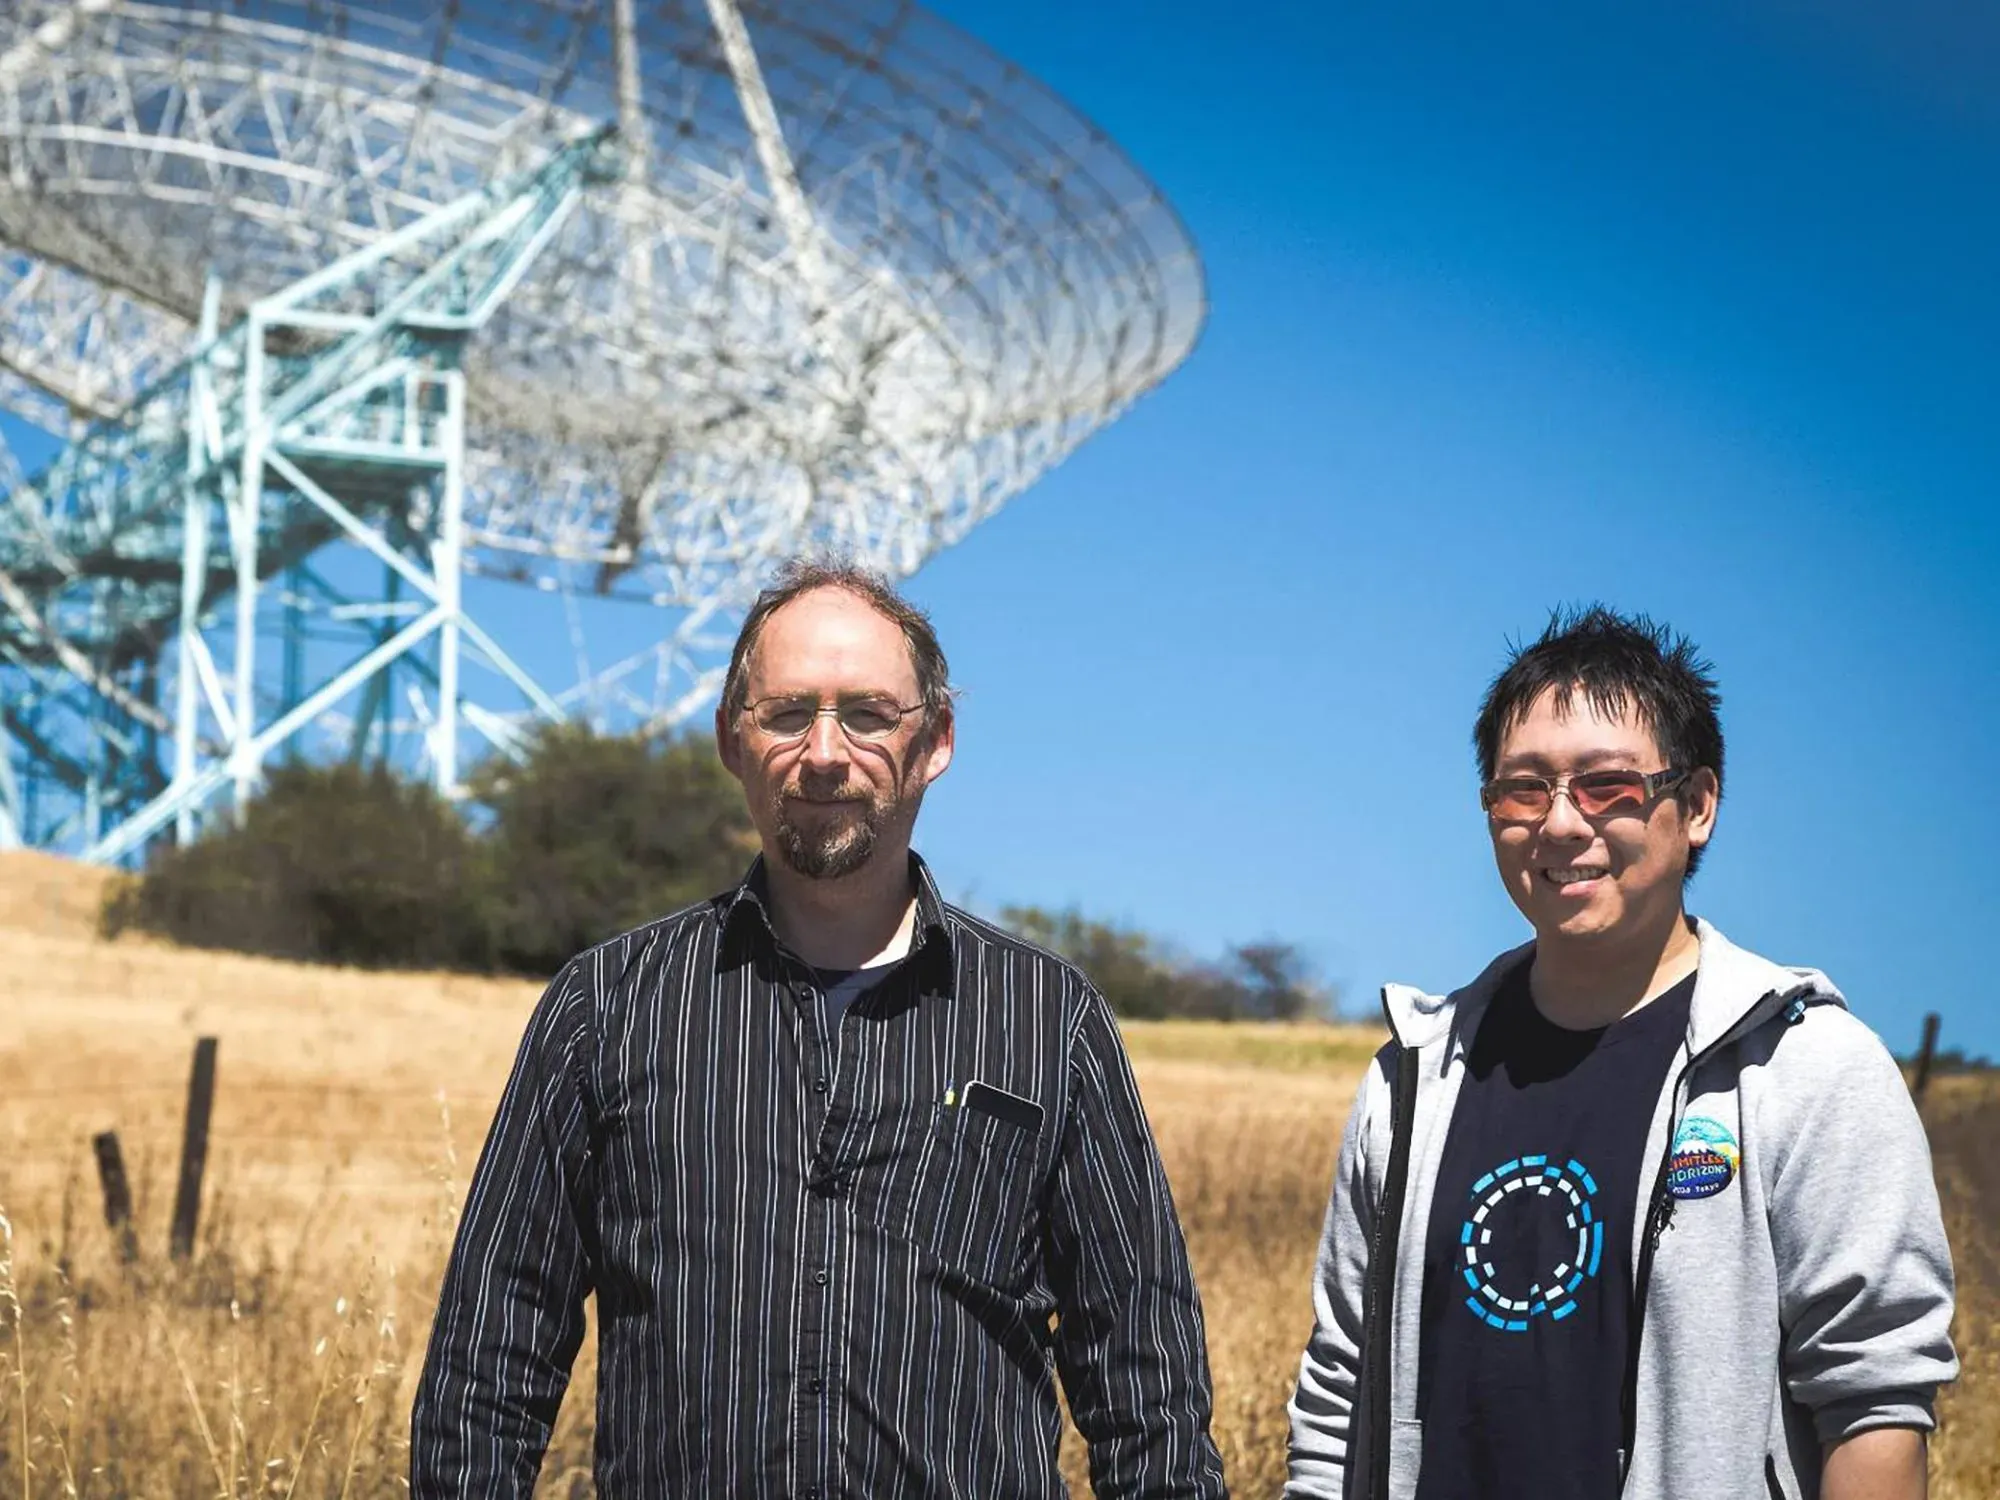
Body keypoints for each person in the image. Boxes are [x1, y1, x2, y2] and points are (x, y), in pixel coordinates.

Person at [412, 558, 1227, 1499]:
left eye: (871, 714)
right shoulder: (609, 1008)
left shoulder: (1047, 1020)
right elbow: (488, 1364)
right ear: (731, 739)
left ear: (937, 742)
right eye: (790, 713)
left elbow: (1147, 1384)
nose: (828, 753)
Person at [1286, 606, 1957, 1500]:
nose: (1562, 824)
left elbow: (1873, 1403)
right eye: (1525, 789)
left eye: (1608, 787)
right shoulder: (1412, 1079)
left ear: (1701, 805)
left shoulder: (1805, 1067)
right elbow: (1340, 1393)